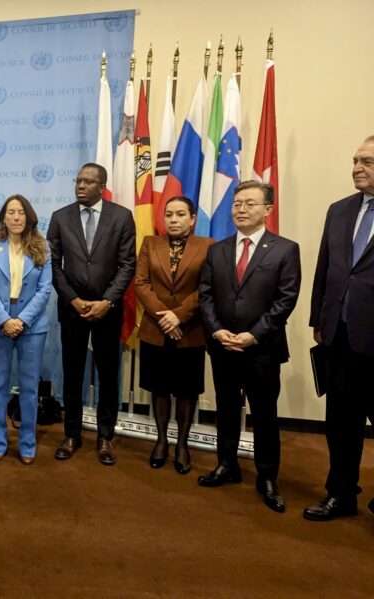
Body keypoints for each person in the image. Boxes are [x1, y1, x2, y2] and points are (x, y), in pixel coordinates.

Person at [198, 180, 301, 513]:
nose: (240, 209)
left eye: (249, 204)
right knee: (226, 410)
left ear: (267, 210)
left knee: (265, 415)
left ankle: (267, 477)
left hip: (262, 349)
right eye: (237, 203)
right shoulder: (217, 250)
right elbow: (206, 296)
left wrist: (254, 334)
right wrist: (216, 331)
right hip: (224, 347)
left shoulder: (285, 249)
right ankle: (227, 465)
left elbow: (286, 299)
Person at [47, 163, 136, 465]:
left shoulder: (121, 217)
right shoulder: (60, 218)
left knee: (108, 375)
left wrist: (107, 301)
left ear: (102, 186)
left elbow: (127, 265)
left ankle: (105, 436)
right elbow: (54, 266)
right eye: (78, 181)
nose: (80, 186)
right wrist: (72, 299)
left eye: (88, 182)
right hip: (72, 310)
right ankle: (71, 434)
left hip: (107, 311)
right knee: (72, 374)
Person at [305, 135, 374, 521]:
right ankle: (341, 494)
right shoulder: (340, 210)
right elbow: (325, 267)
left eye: (366, 161)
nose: (356, 168)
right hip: (340, 335)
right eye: (354, 160)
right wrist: (318, 318)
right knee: (341, 424)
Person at [135, 196, 214, 474]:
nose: (173, 219)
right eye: (169, 214)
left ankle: (182, 444)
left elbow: (207, 287)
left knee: (186, 390)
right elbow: (141, 283)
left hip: (189, 330)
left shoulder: (208, 246)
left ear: (192, 219)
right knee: (159, 387)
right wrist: (164, 316)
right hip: (156, 329)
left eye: (180, 214)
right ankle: (161, 441)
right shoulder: (149, 243)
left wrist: (179, 315)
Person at [0, 195, 52, 465]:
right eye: (10, 212)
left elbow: (45, 289)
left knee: (29, 388)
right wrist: (5, 320)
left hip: (31, 325)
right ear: (3, 217)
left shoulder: (42, 246)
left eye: (20, 212)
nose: (16, 217)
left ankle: (27, 445)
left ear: (29, 216)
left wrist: (21, 320)